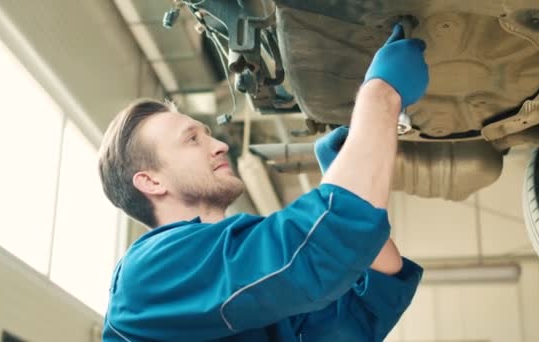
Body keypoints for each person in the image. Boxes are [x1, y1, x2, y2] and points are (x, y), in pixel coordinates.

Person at [98, 24, 429, 342]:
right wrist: (380, 96)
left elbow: (358, 319)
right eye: (192, 140)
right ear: (151, 181)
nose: (219, 145)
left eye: (208, 134)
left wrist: (346, 183)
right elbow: (318, 248)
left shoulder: (254, 291)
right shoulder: (151, 272)